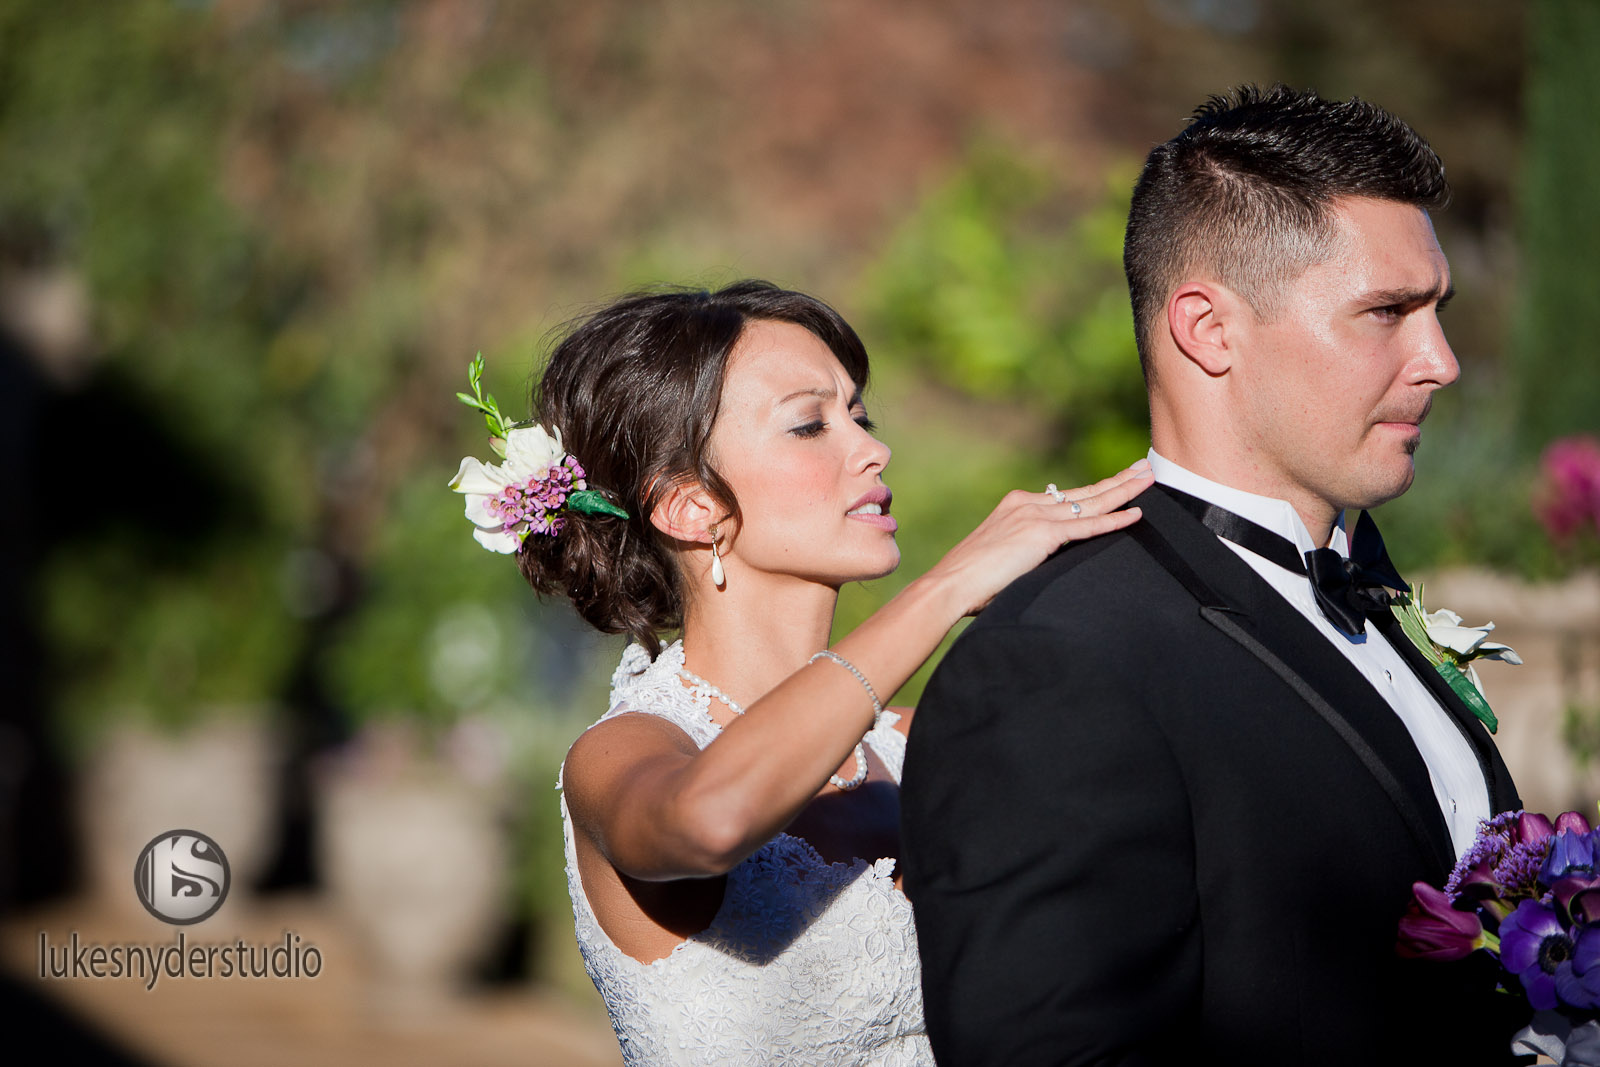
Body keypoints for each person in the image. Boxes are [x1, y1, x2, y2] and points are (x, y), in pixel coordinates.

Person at [899, 85, 1526, 1066]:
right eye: (1386, 312)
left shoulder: (1374, 592)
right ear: (1208, 328)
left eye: (1437, 309)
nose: (1440, 361)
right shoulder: (1057, 663)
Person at [448, 280, 1153, 1065]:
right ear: (690, 506)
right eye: (810, 423)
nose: (871, 448)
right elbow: (712, 820)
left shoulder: (921, 749)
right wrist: (945, 587)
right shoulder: (623, 754)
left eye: (860, 415)